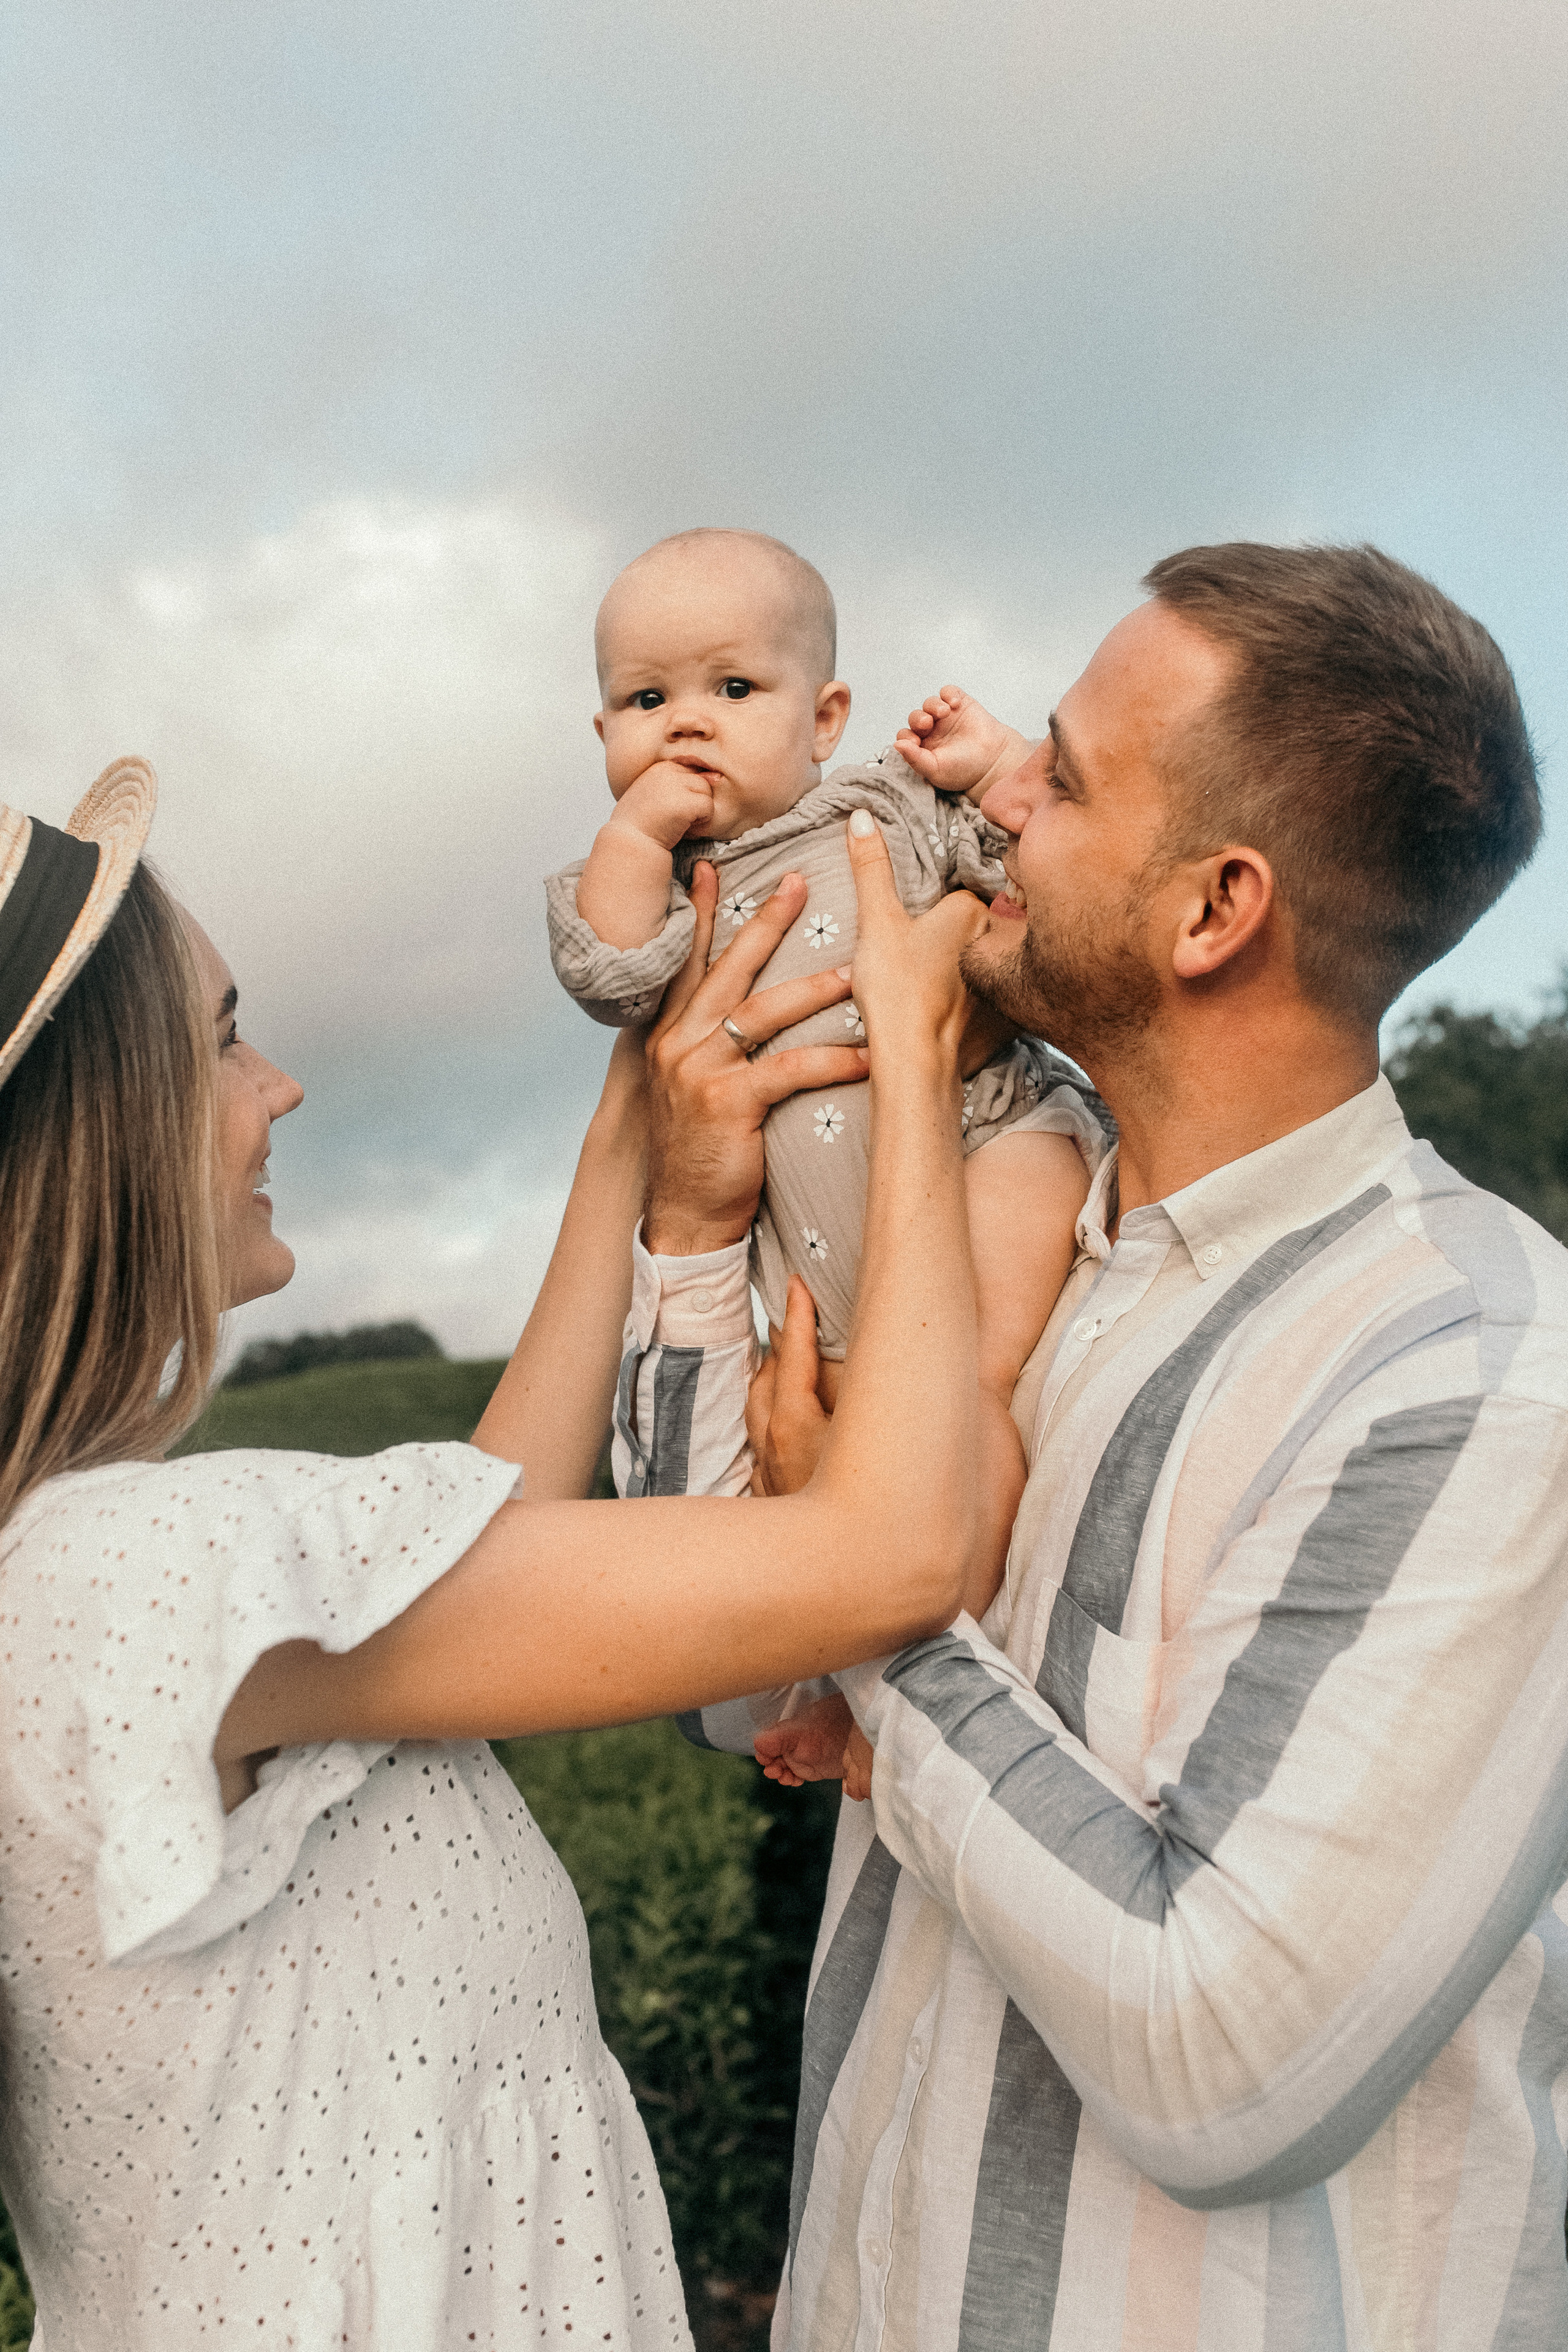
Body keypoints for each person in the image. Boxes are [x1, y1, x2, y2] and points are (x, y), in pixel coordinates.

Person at [630, 544, 1568, 2348]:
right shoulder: (989, 1234)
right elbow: (732, 1689)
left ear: (1215, 909)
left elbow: (1221, 2062)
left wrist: (880, 1586)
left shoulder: (1475, 1378)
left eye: (1059, 774)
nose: (989, 806)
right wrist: (688, 1229)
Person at [0, 759, 984, 2350]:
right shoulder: (133, 1565)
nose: (281, 1086)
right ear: (105, 1127)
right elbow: (899, 1549)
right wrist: (919, 1055)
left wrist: (639, 1099)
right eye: (226, 1033)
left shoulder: (84, 1572)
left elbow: (488, 1528)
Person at [546, 527, 1107, 1622]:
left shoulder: (883, 803)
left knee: (967, 1396)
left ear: (825, 720)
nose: (688, 723)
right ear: (605, 731)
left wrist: (992, 768)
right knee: (839, 1441)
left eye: (736, 687)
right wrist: (635, 834)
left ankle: (939, 1656)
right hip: (811, 1249)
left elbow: (1023, 870)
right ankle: (866, 1682)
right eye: (646, 702)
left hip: (982, 1131)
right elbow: (612, 977)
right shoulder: (655, 884)